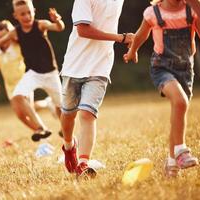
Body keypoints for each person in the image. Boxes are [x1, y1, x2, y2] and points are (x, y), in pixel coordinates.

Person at [123, 0, 200, 177]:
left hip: (186, 69)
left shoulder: (192, 11)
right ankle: (181, 150)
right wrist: (133, 50)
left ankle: (172, 163)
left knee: (179, 110)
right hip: (162, 68)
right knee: (180, 102)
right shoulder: (153, 13)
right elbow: (142, 35)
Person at [0, 0, 64, 142]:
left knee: (61, 106)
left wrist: (58, 21)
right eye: (22, 14)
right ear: (16, 16)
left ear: (34, 12)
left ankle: (65, 128)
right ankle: (40, 127)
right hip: (32, 73)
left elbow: (58, 28)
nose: (26, 17)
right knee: (18, 95)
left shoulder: (40, 25)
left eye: (29, 13)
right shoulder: (16, 32)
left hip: (51, 73)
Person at [60, 0, 134, 179]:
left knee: (87, 113)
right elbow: (83, 30)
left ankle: (83, 163)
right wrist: (121, 38)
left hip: (100, 66)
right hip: (74, 65)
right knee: (68, 114)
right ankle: (69, 146)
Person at [0, 20, 57, 117]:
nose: (3, 40)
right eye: (0, 37)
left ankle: (42, 129)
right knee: (27, 110)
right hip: (10, 86)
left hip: (24, 80)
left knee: (28, 110)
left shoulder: (19, 46)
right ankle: (47, 103)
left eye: (5, 36)